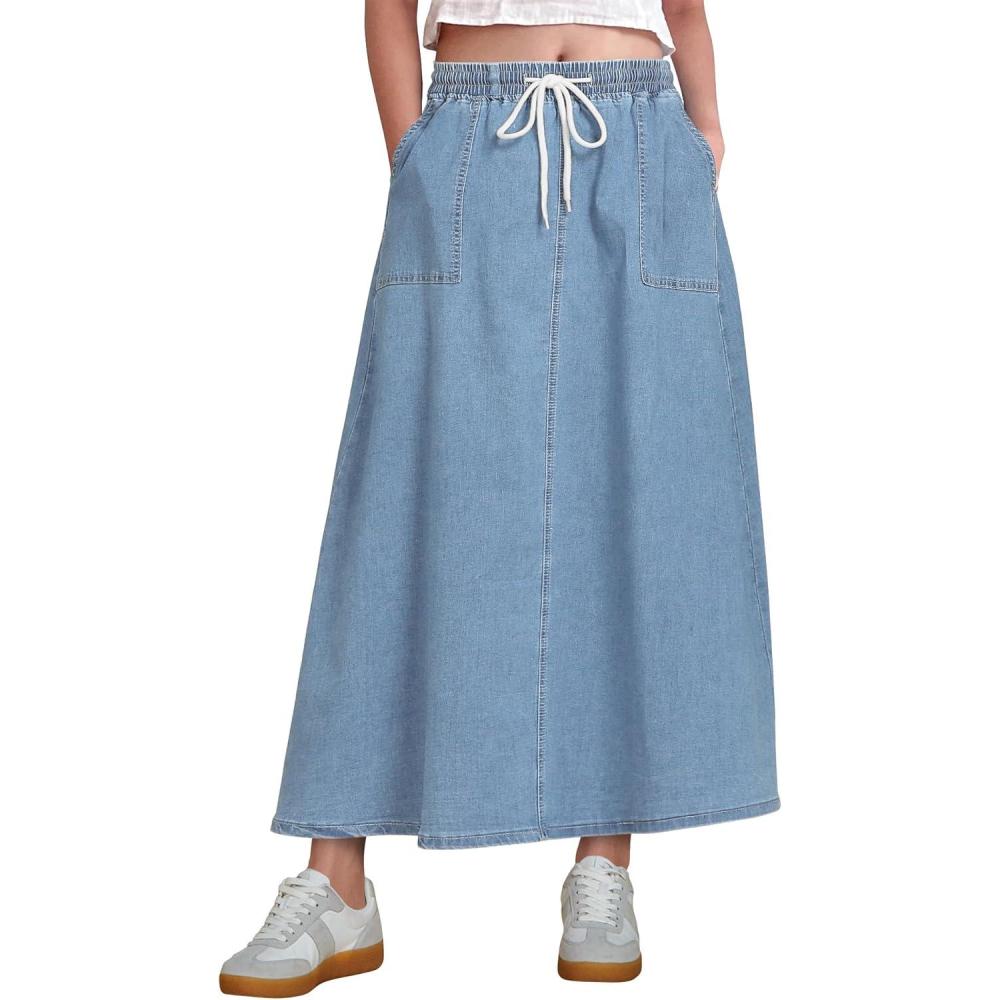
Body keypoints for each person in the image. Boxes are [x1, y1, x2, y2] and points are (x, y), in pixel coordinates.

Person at [219, 1, 778, 993]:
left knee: (633, 491)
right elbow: (387, 7)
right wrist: (414, 156)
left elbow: (685, 8)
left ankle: (603, 864)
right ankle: (336, 878)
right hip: (470, 134)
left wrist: (703, 138)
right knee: (398, 493)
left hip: (640, 138)